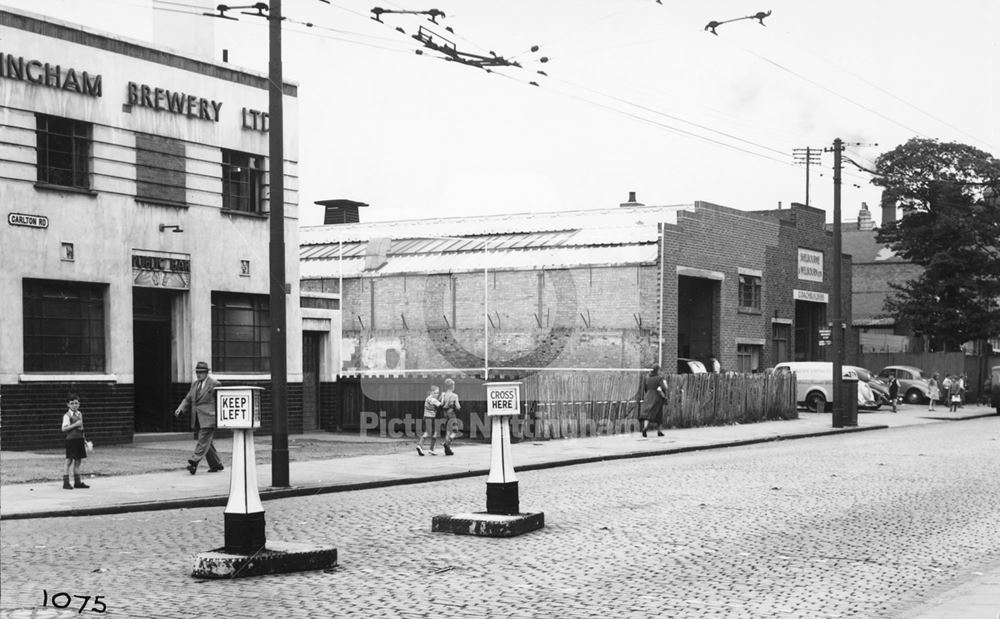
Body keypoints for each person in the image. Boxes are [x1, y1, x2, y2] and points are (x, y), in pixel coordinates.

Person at [173, 361, 224, 474]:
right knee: (207, 442)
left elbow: (221, 401)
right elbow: (188, 398)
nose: (198, 374)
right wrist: (180, 409)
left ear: (207, 373)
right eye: (197, 372)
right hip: (197, 418)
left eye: (201, 372)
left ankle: (194, 462)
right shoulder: (195, 384)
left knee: (202, 440)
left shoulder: (215, 384)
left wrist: (219, 416)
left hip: (209, 418)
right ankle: (216, 464)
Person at [61, 393, 90, 490]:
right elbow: (64, 429)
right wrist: (75, 424)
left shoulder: (79, 414)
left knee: (78, 461)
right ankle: (66, 482)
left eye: (76, 403)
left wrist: (84, 439)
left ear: (79, 404)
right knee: (69, 461)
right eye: (72, 403)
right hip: (71, 440)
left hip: (79, 439)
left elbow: (82, 428)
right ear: (68, 405)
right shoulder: (67, 416)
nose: (74, 405)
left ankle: (77, 482)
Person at [638, 364, 665, 438]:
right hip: (657, 397)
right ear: (657, 370)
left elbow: (645, 388)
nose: (660, 371)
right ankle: (659, 431)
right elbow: (663, 387)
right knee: (659, 413)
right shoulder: (659, 378)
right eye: (659, 370)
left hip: (648, 396)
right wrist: (664, 394)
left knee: (647, 413)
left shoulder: (647, 378)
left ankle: (645, 427)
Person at [416, 384, 442, 456]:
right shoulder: (432, 399)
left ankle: (431, 449)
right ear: (431, 392)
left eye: (437, 393)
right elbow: (441, 405)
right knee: (428, 432)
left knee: (434, 432)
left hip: (427, 417)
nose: (437, 394)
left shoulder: (428, 398)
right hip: (430, 418)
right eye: (435, 393)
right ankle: (420, 445)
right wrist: (443, 397)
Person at [439, 378, 461, 456]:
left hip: (444, 415)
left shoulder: (443, 395)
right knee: (455, 430)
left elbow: (440, 404)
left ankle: (447, 450)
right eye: (454, 385)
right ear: (452, 386)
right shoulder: (454, 396)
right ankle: (447, 443)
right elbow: (458, 407)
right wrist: (455, 406)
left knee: (448, 431)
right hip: (452, 415)